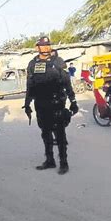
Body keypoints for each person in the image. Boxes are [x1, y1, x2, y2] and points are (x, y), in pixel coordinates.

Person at [23, 36, 78, 175]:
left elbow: (67, 82)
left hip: (56, 102)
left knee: (60, 134)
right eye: (43, 45)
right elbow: (30, 85)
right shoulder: (32, 64)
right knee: (45, 133)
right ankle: (49, 160)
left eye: (48, 45)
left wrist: (73, 101)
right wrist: (27, 103)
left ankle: (63, 163)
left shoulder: (58, 61)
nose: (46, 48)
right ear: (38, 48)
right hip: (41, 103)